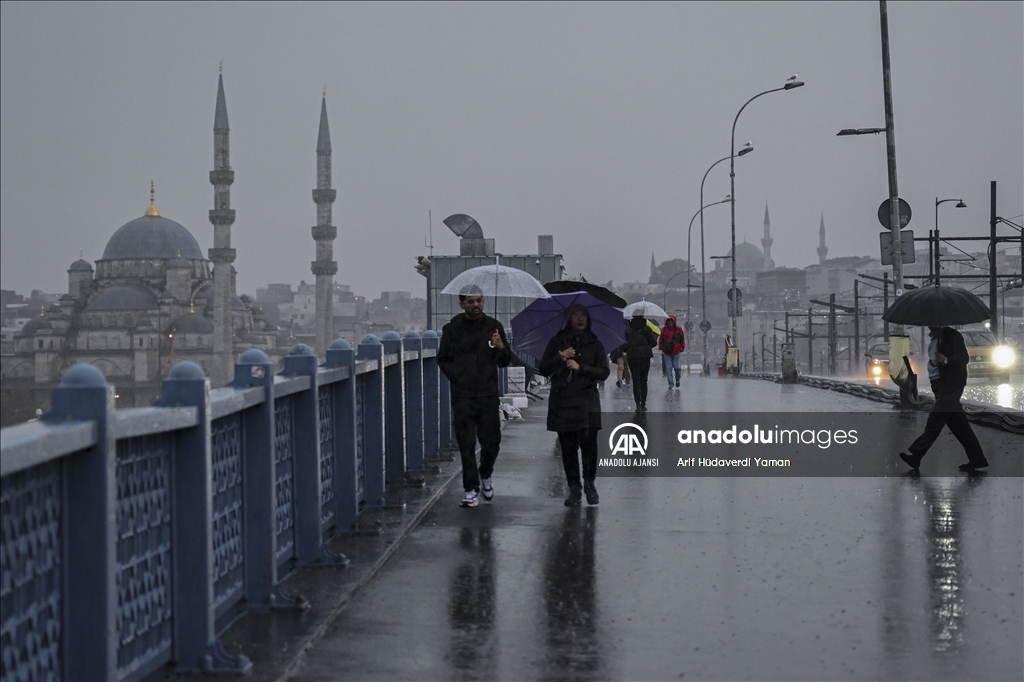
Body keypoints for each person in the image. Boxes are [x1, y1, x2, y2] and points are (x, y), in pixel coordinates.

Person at [437, 285, 515, 507]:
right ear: (462, 304)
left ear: (484, 302)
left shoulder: (494, 327)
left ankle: (486, 474)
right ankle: (470, 489)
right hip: (463, 395)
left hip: (488, 394)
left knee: (492, 442)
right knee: (467, 443)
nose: (475, 305)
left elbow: (504, 362)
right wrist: (458, 376)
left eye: (479, 300)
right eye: (470, 301)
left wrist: (501, 347)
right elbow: (443, 359)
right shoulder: (452, 329)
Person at [539, 304, 610, 506]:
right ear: (569, 318)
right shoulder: (557, 342)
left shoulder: (595, 344)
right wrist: (561, 357)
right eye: (575, 315)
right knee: (568, 448)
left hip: (588, 401)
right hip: (563, 401)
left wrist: (581, 367)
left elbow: (603, 373)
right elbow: (543, 369)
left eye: (583, 315)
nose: (580, 319)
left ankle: (589, 483)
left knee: (589, 446)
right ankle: (574, 488)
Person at [899, 326, 988, 472]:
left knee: (935, 420)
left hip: (951, 384)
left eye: (932, 320)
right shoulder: (934, 338)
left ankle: (916, 454)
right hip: (938, 385)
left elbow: (963, 358)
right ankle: (977, 458)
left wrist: (945, 359)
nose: (929, 324)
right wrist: (933, 364)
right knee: (958, 424)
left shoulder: (952, 335)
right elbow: (935, 362)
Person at [624, 310, 658, 412]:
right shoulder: (646, 329)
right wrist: (645, 346)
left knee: (636, 380)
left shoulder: (628, 330)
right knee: (644, 381)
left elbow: (623, 346)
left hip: (633, 357)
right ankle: (643, 404)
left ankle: (637, 404)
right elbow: (653, 343)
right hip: (644, 356)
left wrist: (631, 348)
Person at [659, 315, 686, 389]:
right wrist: (662, 348)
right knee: (668, 369)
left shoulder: (679, 330)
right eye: (669, 321)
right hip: (667, 353)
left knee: (677, 367)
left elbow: (682, 340)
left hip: (676, 351)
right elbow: (661, 340)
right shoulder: (664, 330)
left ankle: (677, 379)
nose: (670, 322)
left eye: (671, 321)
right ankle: (671, 383)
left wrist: (681, 348)